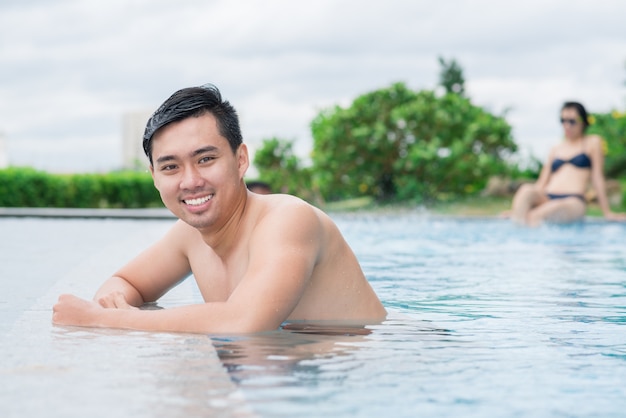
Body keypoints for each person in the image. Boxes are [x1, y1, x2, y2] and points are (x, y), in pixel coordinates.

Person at [52, 84, 387, 334]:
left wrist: (109, 320)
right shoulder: (189, 237)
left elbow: (245, 321)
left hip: (373, 374)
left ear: (240, 160)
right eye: (171, 167)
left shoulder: (288, 220)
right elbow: (125, 281)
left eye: (206, 159)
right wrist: (114, 303)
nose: (191, 180)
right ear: (154, 177)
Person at [504, 101, 626, 227]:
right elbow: (542, 182)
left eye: (572, 121)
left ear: (583, 121)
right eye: (563, 121)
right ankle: (517, 233)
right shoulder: (556, 148)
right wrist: (517, 209)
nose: (567, 125)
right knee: (525, 190)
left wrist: (607, 212)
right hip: (547, 196)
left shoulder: (592, 143)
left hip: (573, 200)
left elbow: (597, 177)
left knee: (536, 215)